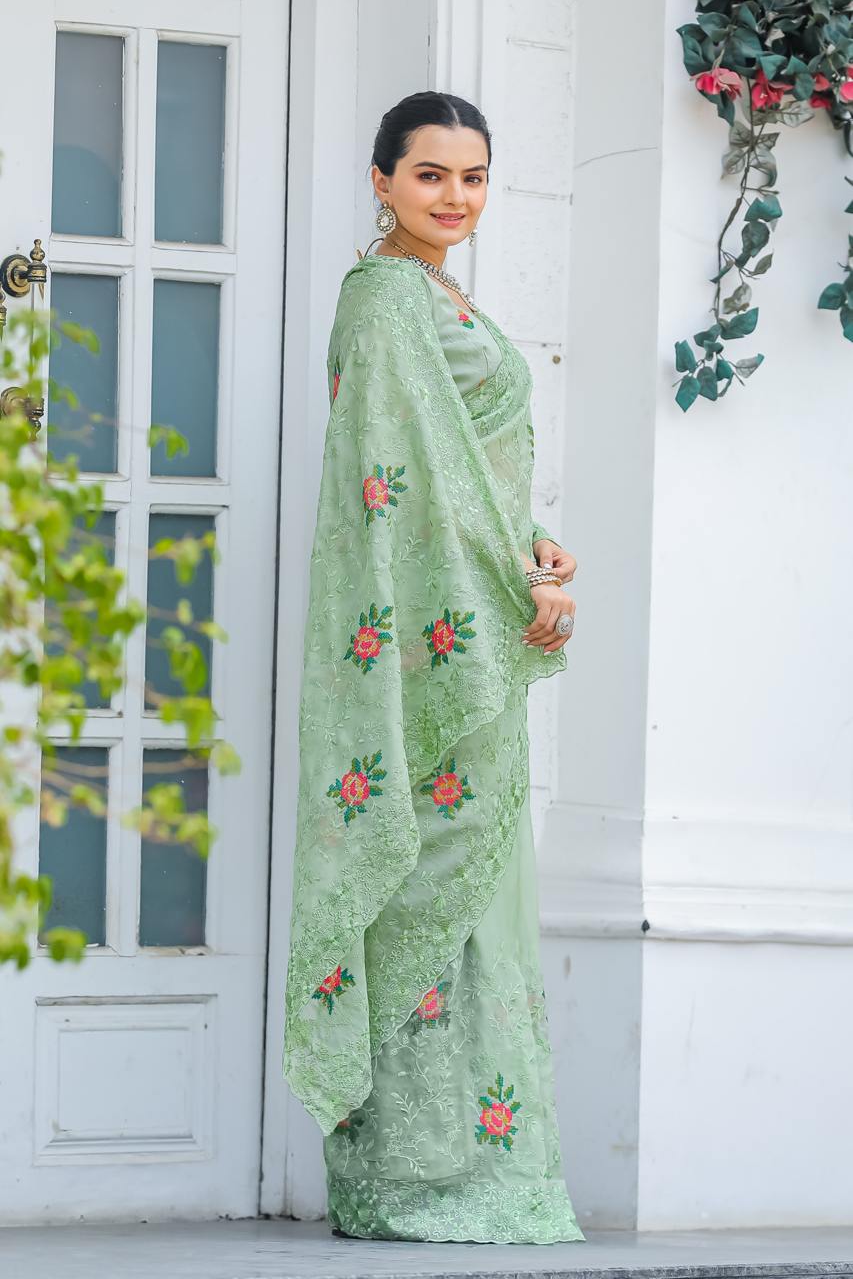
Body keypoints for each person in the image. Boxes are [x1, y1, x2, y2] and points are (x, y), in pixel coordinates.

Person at [283, 90, 585, 1245]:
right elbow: (400, 490)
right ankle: (409, 1172)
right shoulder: (383, 300)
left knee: (477, 894)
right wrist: (520, 586)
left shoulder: (445, 294)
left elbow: (468, 473)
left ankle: (483, 1167)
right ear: (381, 181)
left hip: (480, 632)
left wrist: (534, 547)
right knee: (423, 880)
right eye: (429, 175)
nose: (454, 197)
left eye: (473, 176)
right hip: (433, 650)